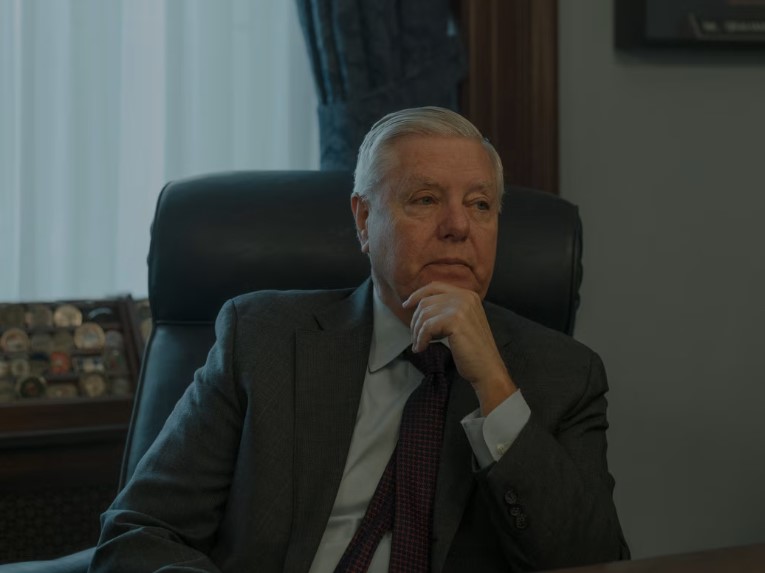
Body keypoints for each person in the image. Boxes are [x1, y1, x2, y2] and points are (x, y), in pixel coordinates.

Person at [90, 107, 629, 573]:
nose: (458, 226)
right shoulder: (262, 340)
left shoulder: (564, 376)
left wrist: (495, 389)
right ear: (365, 220)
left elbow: (596, 560)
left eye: (480, 205)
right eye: (425, 199)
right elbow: (139, 533)